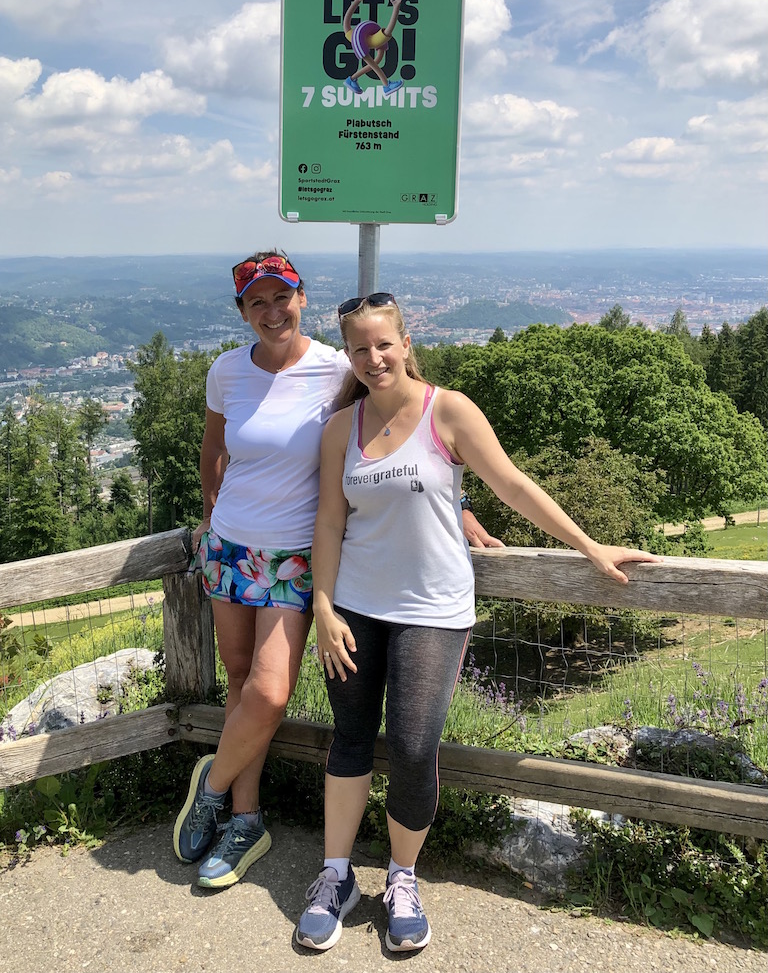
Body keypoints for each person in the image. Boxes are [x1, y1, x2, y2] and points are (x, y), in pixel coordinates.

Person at [295, 292, 662, 952]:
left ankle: (402, 878)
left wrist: (591, 546)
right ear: (346, 354)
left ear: (407, 342)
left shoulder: (449, 410)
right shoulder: (339, 428)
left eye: (384, 343)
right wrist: (322, 604)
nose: (373, 357)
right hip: (353, 604)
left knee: (410, 746)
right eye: (359, 347)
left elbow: (513, 485)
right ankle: (335, 876)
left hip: (433, 608)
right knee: (349, 738)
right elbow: (329, 519)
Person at [173, 256, 500, 891]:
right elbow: (214, 452)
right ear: (242, 312)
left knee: (267, 693)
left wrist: (454, 506)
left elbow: (396, 433)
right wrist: (209, 519)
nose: (272, 312)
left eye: (282, 298)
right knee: (240, 684)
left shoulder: (335, 366)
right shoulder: (226, 371)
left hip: (296, 556)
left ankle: (209, 787)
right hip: (231, 550)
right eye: (257, 302)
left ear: (301, 299)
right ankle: (246, 820)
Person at [343, 0, 404, 96]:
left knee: (378, 59)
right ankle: (386, 85)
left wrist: (357, 2)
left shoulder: (379, 37)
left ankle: (351, 79)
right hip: (358, 36)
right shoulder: (382, 35)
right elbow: (346, 25)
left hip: (367, 33)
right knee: (372, 62)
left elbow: (346, 25)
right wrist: (396, 8)